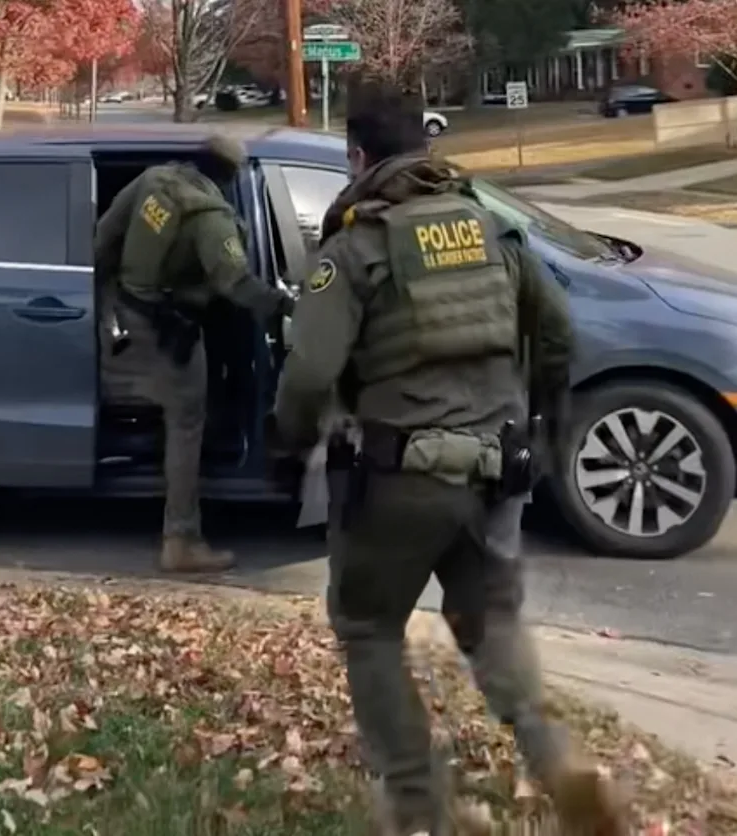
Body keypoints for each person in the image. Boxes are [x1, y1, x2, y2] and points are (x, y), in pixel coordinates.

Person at [272, 83, 628, 836]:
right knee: (490, 621)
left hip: (399, 479)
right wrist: (542, 426)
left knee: (369, 628)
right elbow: (558, 336)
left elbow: (307, 374)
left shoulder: (357, 247)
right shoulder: (492, 230)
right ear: (425, 147)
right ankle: (559, 760)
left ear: (357, 156)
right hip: (496, 471)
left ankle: (415, 803)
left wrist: (292, 441)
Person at [96, 134, 295, 573]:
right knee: (187, 422)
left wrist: (103, 303)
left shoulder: (153, 181)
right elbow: (237, 285)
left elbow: (105, 236)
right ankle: (181, 539)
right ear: (231, 176)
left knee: (173, 412)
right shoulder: (211, 216)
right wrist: (289, 305)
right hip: (170, 328)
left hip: (130, 310)